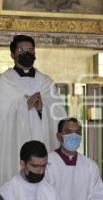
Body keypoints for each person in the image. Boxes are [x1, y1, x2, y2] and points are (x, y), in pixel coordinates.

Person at [0, 35, 67, 185]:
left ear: (35, 53)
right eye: (21, 50)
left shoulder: (46, 82)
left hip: (41, 141)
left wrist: (42, 109)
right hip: (13, 146)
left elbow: (59, 116)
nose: (27, 53)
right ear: (12, 55)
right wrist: (24, 105)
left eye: (30, 49)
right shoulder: (3, 82)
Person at [46, 117, 103, 200]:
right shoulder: (48, 163)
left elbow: (99, 196)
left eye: (78, 132)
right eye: (68, 132)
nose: (74, 136)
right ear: (59, 136)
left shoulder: (89, 165)